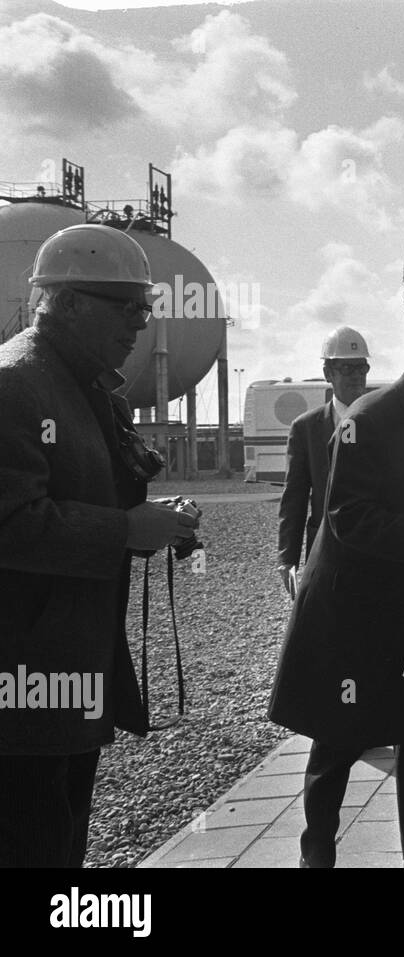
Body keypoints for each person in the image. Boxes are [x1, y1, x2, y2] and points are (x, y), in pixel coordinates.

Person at [0, 224, 200, 867]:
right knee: (32, 840)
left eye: (147, 307)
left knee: (61, 839)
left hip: (67, 664)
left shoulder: (86, 386)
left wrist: (152, 520)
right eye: (129, 307)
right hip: (23, 678)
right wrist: (124, 530)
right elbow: (10, 520)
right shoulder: (15, 384)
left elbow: (87, 496)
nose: (142, 323)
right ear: (69, 302)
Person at [267, 317, 404, 868]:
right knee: (339, 735)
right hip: (351, 608)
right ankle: (318, 852)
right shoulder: (371, 419)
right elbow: (347, 517)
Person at [276, 326, 369, 599]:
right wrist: (287, 558)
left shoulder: (383, 420)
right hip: (325, 548)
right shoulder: (306, 428)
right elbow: (294, 496)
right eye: (346, 369)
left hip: (375, 549)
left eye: (361, 368)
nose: (356, 377)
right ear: (328, 373)